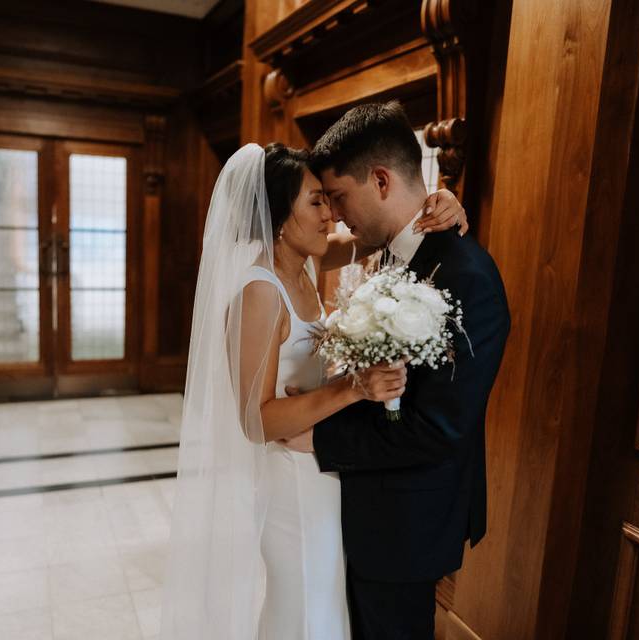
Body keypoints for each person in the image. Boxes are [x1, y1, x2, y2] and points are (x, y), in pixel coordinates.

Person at [161, 140, 468, 639]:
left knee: (323, 599)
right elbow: (255, 421)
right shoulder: (261, 291)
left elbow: (379, 233)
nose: (331, 216)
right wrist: (352, 390)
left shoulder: (304, 264)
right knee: (304, 602)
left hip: (322, 462)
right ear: (280, 217)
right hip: (290, 479)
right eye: (316, 202)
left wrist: (443, 199)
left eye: (330, 200)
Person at [281, 101, 511, 639]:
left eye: (338, 197)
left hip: (406, 523)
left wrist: (318, 435)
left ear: (380, 180)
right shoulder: (389, 254)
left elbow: (438, 428)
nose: (334, 215)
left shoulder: (466, 276)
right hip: (366, 507)